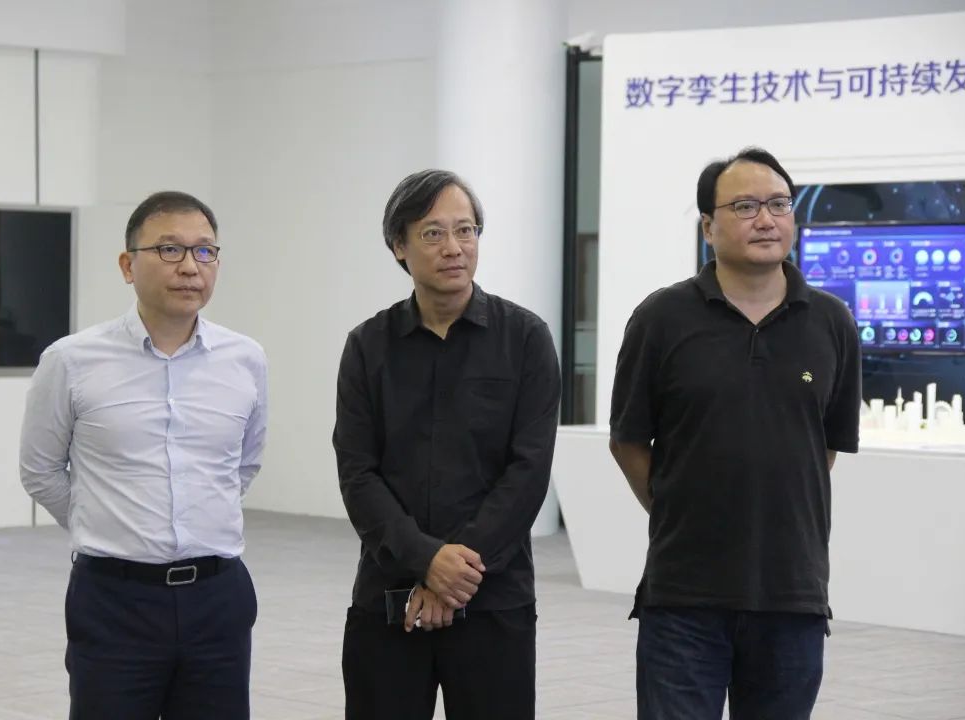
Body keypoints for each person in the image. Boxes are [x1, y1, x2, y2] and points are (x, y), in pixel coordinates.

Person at [609, 147, 862, 719]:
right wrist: (681, 508)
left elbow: (822, 447)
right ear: (708, 227)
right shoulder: (661, 318)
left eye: (779, 204)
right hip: (684, 595)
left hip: (792, 593)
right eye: (745, 206)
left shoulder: (831, 322)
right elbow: (627, 441)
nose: (766, 220)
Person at [19, 191, 267, 720]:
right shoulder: (71, 360)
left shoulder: (245, 359)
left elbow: (243, 464)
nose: (190, 267)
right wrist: (105, 523)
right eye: (170, 249)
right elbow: (40, 470)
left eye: (205, 251)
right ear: (128, 265)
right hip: (115, 600)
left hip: (218, 599)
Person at [332, 169, 561, 719]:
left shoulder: (525, 339)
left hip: (494, 602)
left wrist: (452, 575)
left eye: (466, 230)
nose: (454, 247)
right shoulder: (368, 346)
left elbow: (528, 472)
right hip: (389, 600)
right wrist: (425, 560)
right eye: (433, 233)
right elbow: (357, 472)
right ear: (399, 246)